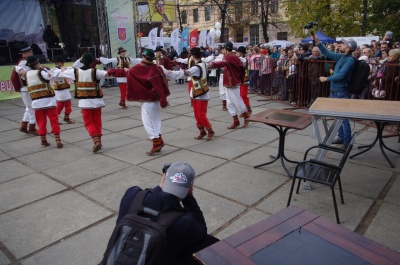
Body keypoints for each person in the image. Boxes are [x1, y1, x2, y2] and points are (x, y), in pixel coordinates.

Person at [117, 162, 219, 265]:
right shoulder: (184, 222)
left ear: (164, 177)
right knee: (211, 245)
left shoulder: (132, 194)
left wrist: (159, 188)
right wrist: (188, 197)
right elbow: (202, 232)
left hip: (119, 257)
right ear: (190, 189)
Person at [107, 49, 185, 155]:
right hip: (156, 99)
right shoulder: (157, 67)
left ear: (144, 57)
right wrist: (186, 73)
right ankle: (159, 141)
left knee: (148, 122)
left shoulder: (139, 68)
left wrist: (110, 71)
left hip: (148, 100)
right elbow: (171, 74)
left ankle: (156, 143)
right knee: (156, 121)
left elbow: (124, 72)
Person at [57, 52, 115, 152]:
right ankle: (99, 140)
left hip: (85, 103)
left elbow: (60, 72)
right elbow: (109, 74)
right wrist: (124, 71)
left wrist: (53, 71)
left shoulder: (75, 72)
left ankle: (96, 140)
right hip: (97, 102)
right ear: (92, 62)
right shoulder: (96, 72)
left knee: (88, 122)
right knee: (97, 122)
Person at [315, 35, 355, 149]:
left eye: (343, 44)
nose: (340, 45)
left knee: (343, 119)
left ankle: (347, 142)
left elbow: (341, 75)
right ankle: (341, 137)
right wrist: (317, 41)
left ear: (348, 48)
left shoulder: (350, 60)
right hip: (335, 91)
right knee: (338, 117)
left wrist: (326, 79)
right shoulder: (341, 57)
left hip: (342, 92)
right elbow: (327, 53)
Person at [22, 56, 63, 148]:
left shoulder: (26, 75)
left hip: (36, 103)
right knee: (54, 120)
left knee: (41, 122)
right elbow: (50, 76)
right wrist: (43, 69)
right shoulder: (41, 72)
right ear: (37, 64)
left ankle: (43, 139)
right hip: (49, 101)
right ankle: (57, 139)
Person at [209, 42, 249, 129]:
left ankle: (246, 117)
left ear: (226, 49)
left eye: (223, 50)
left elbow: (223, 63)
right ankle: (236, 121)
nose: (222, 51)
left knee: (238, 102)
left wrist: (213, 64)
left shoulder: (230, 57)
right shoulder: (232, 56)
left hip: (232, 83)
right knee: (230, 104)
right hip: (229, 83)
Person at [182, 47, 215, 141]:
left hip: (201, 94)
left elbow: (186, 73)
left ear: (192, 56)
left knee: (201, 114)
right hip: (197, 92)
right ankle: (202, 131)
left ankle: (210, 130)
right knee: (197, 114)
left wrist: (172, 72)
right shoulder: (202, 64)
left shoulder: (196, 67)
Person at [14, 45, 38, 135]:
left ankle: (24, 126)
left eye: (31, 52)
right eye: (29, 52)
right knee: (32, 108)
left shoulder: (23, 62)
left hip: (26, 88)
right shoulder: (23, 62)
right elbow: (25, 73)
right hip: (26, 88)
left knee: (29, 107)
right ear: (23, 54)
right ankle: (32, 127)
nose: (31, 53)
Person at [51, 55, 75, 124]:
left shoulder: (59, 70)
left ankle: (65, 117)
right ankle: (57, 119)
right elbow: (61, 73)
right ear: (57, 63)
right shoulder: (55, 70)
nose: (63, 63)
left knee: (65, 105)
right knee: (61, 106)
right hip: (60, 90)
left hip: (64, 89)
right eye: (61, 62)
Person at [236, 46, 252, 115]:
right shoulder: (239, 59)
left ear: (241, 53)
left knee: (243, 95)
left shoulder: (244, 59)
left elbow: (240, 60)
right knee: (240, 96)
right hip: (240, 79)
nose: (236, 53)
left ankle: (249, 109)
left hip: (245, 80)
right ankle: (244, 109)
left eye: (237, 52)